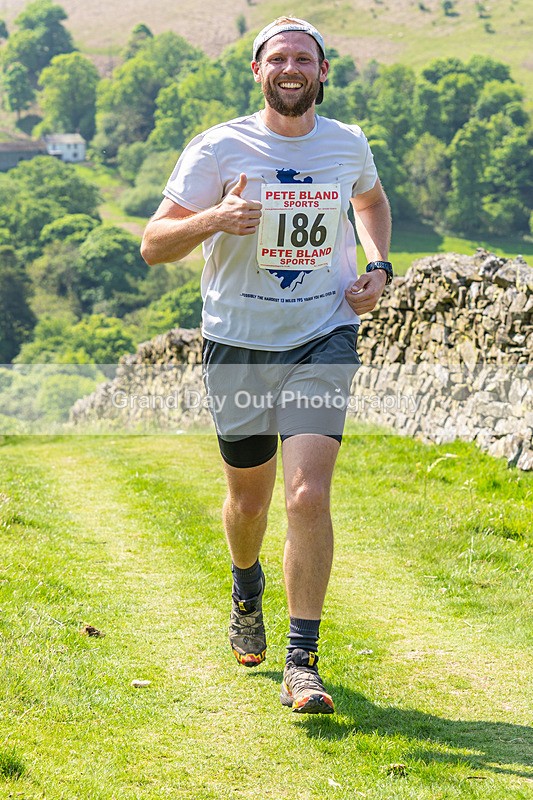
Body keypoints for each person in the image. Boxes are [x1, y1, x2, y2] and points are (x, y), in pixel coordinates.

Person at [141, 16, 392, 714]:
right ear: (257, 71)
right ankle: (245, 584)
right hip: (239, 342)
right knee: (248, 502)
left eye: (303, 59)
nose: (290, 68)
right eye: (277, 58)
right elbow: (154, 243)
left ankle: (301, 663)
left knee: (307, 495)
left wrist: (377, 265)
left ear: (322, 72)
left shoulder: (346, 143)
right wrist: (212, 221)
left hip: (323, 334)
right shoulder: (217, 146)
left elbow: (369, 200)